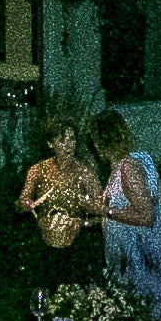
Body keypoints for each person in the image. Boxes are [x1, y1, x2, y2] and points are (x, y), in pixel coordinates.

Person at [90, 109, 161, 308]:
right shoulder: (134, 163)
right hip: (130, 262)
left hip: (140, 267)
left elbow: (146, 216)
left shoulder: (129, 167)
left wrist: (104, 211)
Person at [18, 115, 106, 279]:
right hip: (46, 241)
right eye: (62, 140)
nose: (68, 145)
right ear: (50, 143)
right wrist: (26, 203)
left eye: (72, 139)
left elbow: (104, 211)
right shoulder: (37, 170)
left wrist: (83, 222)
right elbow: (23, 199)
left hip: (76, 244)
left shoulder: (84, 173)